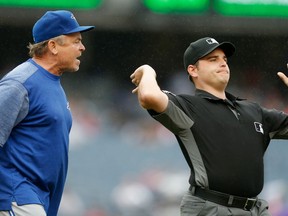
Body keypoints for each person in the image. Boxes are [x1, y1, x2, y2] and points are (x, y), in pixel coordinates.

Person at [130, 37, 288, 216]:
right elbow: (149, 96)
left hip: (254, 210)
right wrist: (147, 70)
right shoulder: (187, 107)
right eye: (213, 60)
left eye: (224, 60)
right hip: (211, 207)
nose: (222, 64)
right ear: (193, 70)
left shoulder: (253, 110)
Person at [0, 10, 94, 216]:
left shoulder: (52, 83)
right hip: (17, 195)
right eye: (76, 41)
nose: (82, 47)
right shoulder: (19, 83)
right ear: (53, 46)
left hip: (40, 197)